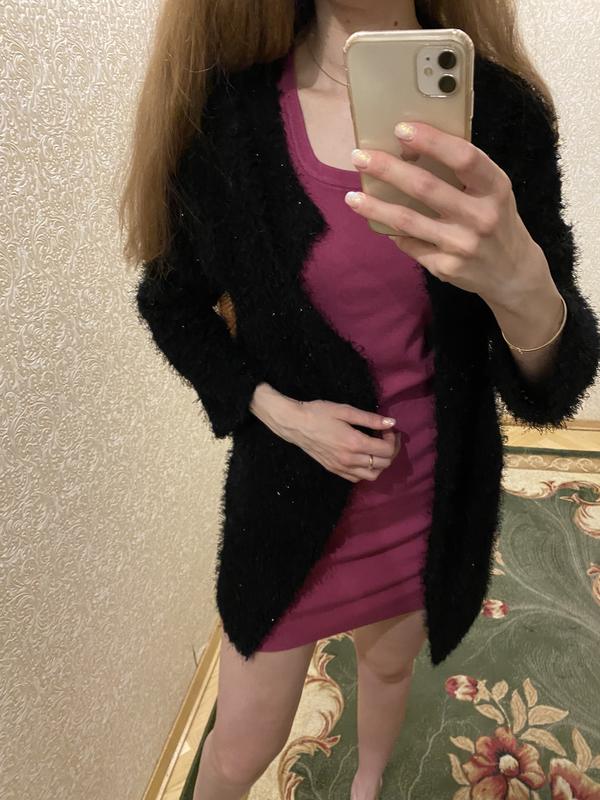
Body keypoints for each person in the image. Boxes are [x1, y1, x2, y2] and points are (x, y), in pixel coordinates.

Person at [118, 1, 600, 799]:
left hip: (430, 495)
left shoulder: (502, 113)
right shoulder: (230, 120)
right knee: (238, 750)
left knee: (388, 667)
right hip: (286, 502)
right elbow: (171, 304)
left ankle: (367, 783)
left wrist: (523, 284)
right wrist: (280, 413)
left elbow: (552, 386)